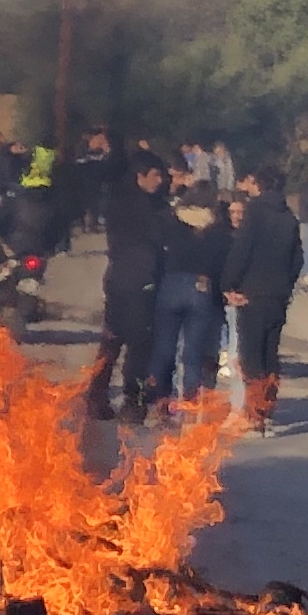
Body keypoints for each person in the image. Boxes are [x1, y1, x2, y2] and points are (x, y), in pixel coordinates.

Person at [90, 153, 170, 422]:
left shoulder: (116, 203)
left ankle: (96, 395)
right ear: (140, 176)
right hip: (140, 282)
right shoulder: (147, 208)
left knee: (111, 341)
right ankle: (132, 402)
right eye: (155, 175)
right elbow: (159, 238)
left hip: (116, 280)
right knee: (139, 345)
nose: (160, 181)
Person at [221, 167, 302, 427]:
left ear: (260, 186)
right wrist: (286, 285)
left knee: (251, 354)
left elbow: (242, 250)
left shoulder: (255, 213)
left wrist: (228, 282)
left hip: (252, 292)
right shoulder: (289, 217)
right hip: (277, 294)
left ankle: (255, 409)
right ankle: (268, 403)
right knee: (270, 353)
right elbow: (297, 258)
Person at [147, 180, 228, 411]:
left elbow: (156, 252)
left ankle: (160, 401)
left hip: (170, 283)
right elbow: (222, 261)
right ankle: (190, 403)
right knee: (193, 352)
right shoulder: (217, 228)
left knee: (164, 348)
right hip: (201, 286)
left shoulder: (170, 221)